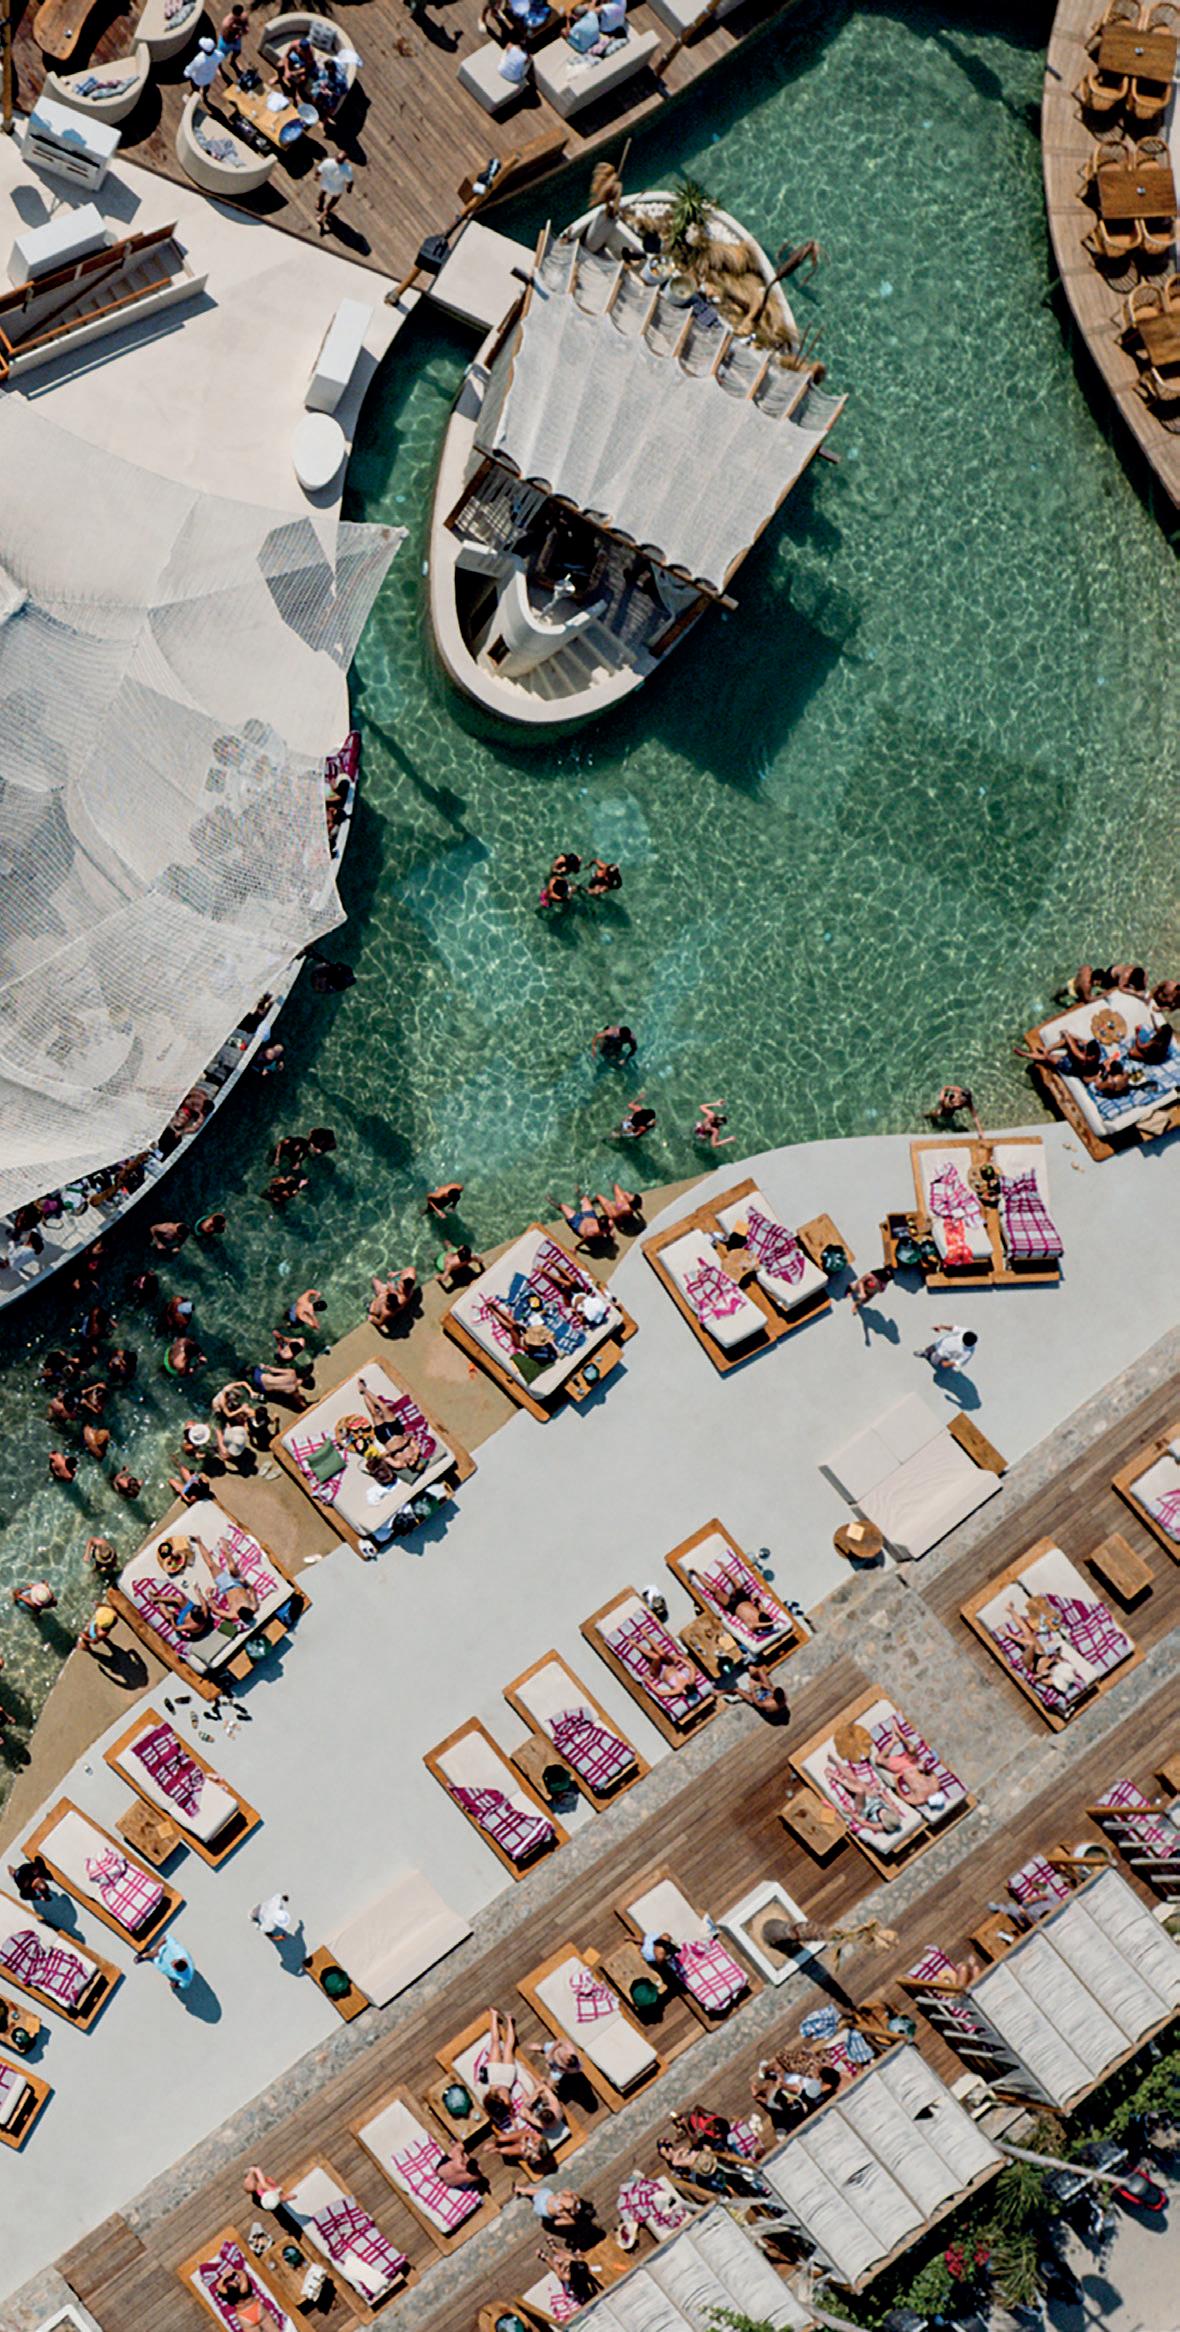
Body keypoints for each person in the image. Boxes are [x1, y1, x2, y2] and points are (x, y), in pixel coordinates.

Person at [485, 1296, 558, 1364]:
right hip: (524, 1338)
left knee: (511, 1327)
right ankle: (494, 1309)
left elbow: (526, 1347)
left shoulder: (539, 1351)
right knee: (513, 1323)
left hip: (521, 1342)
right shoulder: (543, 1349)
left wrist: (525, 1338)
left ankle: (493, 1310)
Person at [316, 152, 354, 235]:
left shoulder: (328, 162)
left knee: (322, 194)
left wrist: (316, 176)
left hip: (326, 183)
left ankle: (319, 206)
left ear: (336, 156)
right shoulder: (347, 169)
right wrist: (349, 189)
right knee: (333, 202)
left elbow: (319, 171)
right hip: (336, 189)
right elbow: (350, 182)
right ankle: (321, 216)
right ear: (344, 160)